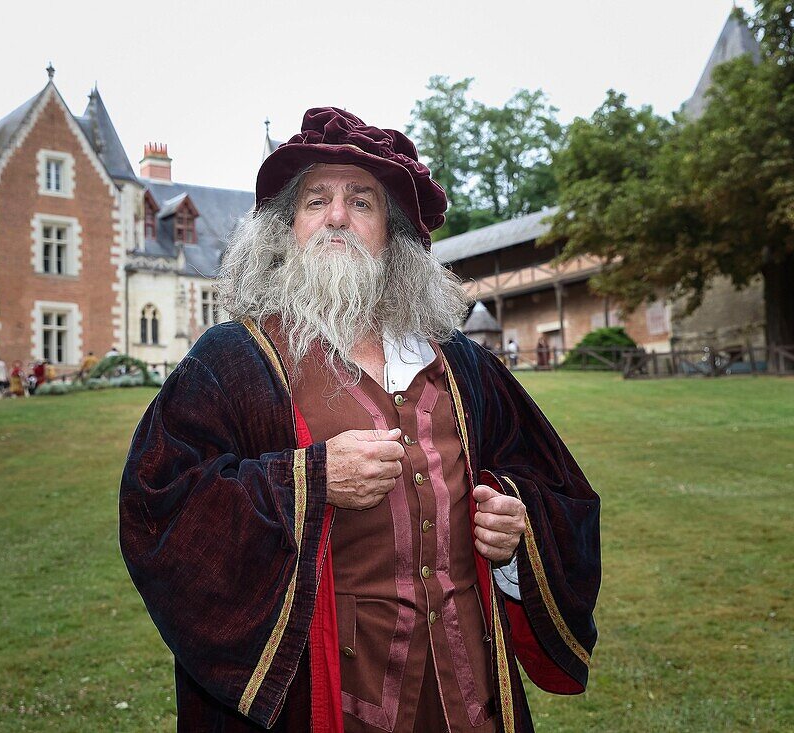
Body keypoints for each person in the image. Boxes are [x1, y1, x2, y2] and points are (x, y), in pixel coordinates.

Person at [119, 108, 601, 732]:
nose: (337, 216)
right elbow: (160, 508)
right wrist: (309, 481)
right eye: (315, 200)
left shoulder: (464, 369)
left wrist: (516, 529)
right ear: (285, 230)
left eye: (361, 202)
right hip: (325, 706)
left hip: (468, 700)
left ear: (393, 235)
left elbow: (562, 493)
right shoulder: (234, 364)